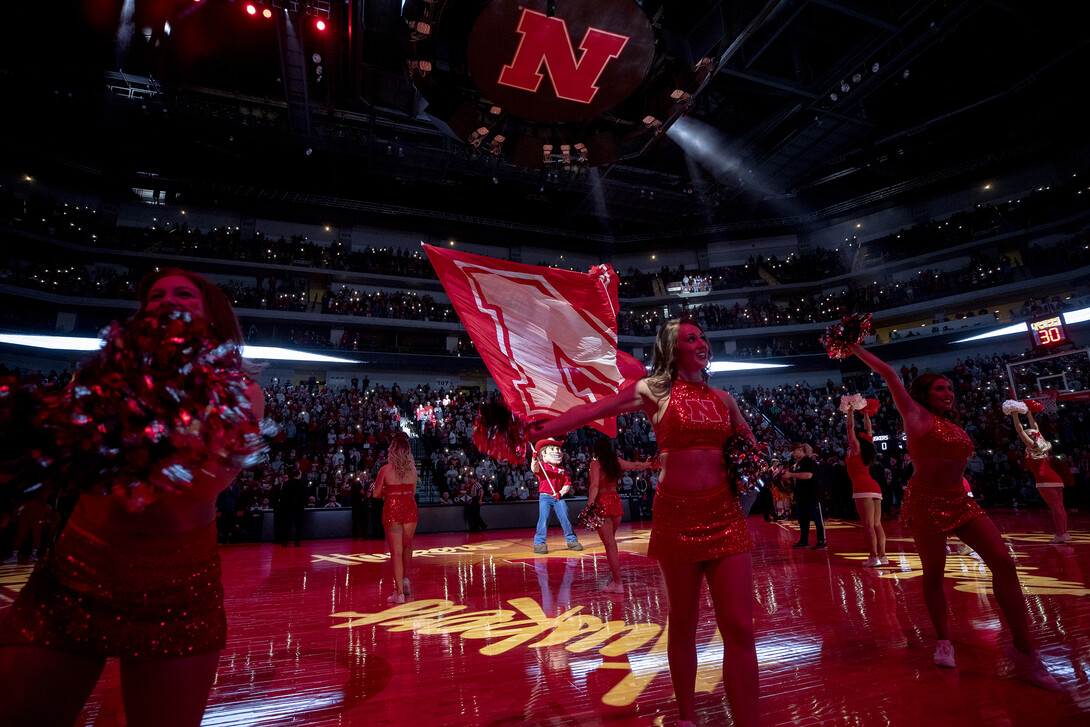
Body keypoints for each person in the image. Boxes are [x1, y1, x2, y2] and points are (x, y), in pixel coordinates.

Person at [0, 268, 265, 727]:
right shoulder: (102, 374)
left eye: (183, 293)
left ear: (213, 316)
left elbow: (204, 484)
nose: (165, 299)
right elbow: (60, 458)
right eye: (155, 296)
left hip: (177, 586)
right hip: (77, 570)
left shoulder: (242, 391)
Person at [535, 318, 759, 727]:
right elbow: (595, 409)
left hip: (725, 516)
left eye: (703, 337)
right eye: (692, 338)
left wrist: (753, 471)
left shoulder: (725, 400)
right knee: (684, 623)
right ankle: (688, 717)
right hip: (677, 516)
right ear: (673, 350)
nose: (702, 343)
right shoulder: (654, 390)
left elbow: (750, 453)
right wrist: (543, 429)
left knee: (740, 627)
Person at [849, 344, 1061, 690]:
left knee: (1004, 564)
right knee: (934, 574)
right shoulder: (915, 414)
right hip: (925, 502)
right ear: (924, 394)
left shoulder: (954, 425)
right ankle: (943, 640)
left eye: (949, 388)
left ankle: (1025, 651)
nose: (947, 393)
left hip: (960, 501)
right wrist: (853, 343)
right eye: (939, 388)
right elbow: (888, 373)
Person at [588, 437, 655, 593]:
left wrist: (590, 505)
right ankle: (614, 575)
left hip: (602, 502)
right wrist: (650, 464)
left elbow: (595, 485)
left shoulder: (595, 464)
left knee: (609, 544)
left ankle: (618, 583)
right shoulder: (616, 462)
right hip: (615, 501)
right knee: (612, 542)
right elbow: (636, 466)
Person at [1010, 405, 1070, 543]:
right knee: (1059, 507)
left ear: (1029, 436)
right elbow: (1035, 427)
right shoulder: (1041, 442)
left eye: (1027, 434)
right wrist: (1029, 412)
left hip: (1044, 479)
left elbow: (1019, 430)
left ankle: (1060, 534)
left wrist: (1014, 413)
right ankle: (1064, 533)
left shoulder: (1032, 446)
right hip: (1055, 478)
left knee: (1055, 507)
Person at [372, 433, 418, 604]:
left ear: (392, 451)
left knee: (396, 553)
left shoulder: (385, 470)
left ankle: (398, 593)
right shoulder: (413, 470)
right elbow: (412, 492)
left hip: (392, 508)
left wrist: (390, 491)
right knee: (407, 547)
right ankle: (405, 581)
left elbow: (376, 493)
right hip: (410, 507)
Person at [844, 404, 887, 566]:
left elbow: (850, 427)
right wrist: (867, 414)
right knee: (877, 524)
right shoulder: (867, 448)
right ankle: (882, 556)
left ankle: (873, 557)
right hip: (874, 487)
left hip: (862, 488)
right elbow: (869, 430)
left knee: (868, 525)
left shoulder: (856, 448)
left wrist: (849, 411)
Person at [530, 438, 583, 554]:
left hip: (558, 497)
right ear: (543, 454)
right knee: (543, 519)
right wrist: (534, 459)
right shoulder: (542, 465)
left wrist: (561, 493)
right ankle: (539, 543)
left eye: (558, 449)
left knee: (565, 518)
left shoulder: (562, 470)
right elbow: (534, 468)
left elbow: (567, 485)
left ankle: (572, 541)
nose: (557, 451)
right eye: (552, 449)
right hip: (545, 497)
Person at [784, 443, 826, 549]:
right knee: (803, 520)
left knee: (817, 519)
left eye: (794, 452)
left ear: (799, 450)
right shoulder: (798, 463)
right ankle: (804, 540)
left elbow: (808, 475)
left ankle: (822, 540)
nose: (793, 455)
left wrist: (791, 475)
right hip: (801, 496)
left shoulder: (808, 461)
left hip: (812, 495)